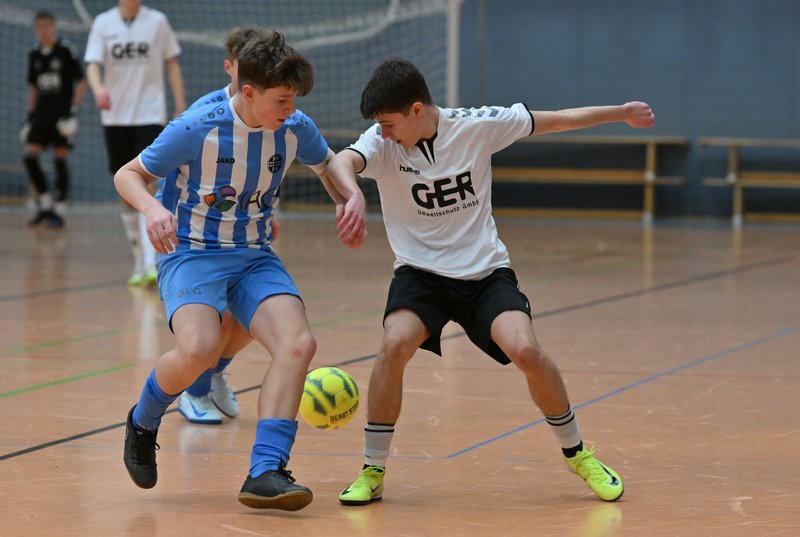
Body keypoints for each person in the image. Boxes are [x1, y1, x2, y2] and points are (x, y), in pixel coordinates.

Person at [327, 58, 656, 505]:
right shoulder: (383, 143)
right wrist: (351, 196)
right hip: (420, 274)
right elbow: (342, 161)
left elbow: (556, 120)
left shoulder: (477, 126)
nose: (382, 133)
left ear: (417, 110)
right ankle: (373, 469)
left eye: (388, 123)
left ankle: (578, 454)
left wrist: (620, 113)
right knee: (393, 345)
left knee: (526, 351)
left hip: (483, 272)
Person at [114, 32, 366, 511]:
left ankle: (265, 470)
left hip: (253, 254)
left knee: (298, 344)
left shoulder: (295, 127)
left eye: (294, 99)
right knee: (198, 349)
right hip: (192, 253)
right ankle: (143, 421)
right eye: (282, 100)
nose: (291, 108)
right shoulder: (197, 127)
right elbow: (127, 174)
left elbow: (330, 164)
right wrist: (152, 209)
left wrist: (351, 195)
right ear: (248, 92)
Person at [173, 25, 271, 426]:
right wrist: (160, 215)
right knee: (215, 321)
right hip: (197, 235)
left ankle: (213, 373)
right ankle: (193, 391)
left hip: (245, 232)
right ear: (230, 68)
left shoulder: (267, 115)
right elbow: (166, 171)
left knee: (250, 319)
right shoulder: (204, 115)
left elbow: (263, 171)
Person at [84, 0, 186, 287]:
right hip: (115, 116)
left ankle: (152, 259)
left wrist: (180, 103)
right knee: (125, 188)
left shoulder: (157, 21)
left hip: (149, 113)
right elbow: (92, 65)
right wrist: (98, 88)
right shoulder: (103, 22)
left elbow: (172, 63)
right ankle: (138, 258)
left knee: (148, 183)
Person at [21, 10, 86, 229]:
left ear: (53, 27)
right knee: (30, 157)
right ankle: (45, 202)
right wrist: (30, 115)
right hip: (41, 115)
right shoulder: (34, 54)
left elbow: (81, 81)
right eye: (39, 27)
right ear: (35, 29)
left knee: (60, 159)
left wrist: (73, 110)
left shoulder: (65, 51)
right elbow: (33, 87)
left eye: (47, 26)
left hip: (62, 116)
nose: (43, 31)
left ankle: (58, 209)